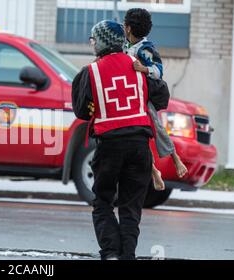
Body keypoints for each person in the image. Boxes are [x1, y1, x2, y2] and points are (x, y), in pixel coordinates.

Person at [72, 20, 170, 260]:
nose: (92, 44)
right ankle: (127, 255)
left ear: (102, 42)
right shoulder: (137, 65)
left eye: (93, 40)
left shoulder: (91, 71)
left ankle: (111, 253)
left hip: (110, 146)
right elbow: (162, 95)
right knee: (131, 207)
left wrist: (97, 107)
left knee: (103, 201)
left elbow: (82, 111)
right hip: (139, 146)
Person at [123, 8, 188, 191]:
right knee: (137, 137)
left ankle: (176, 159)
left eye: (124, 24)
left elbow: (159, 71)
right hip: (128, 98)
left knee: (156, 127)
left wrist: (143, 69)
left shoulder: (146, 48)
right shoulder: (124, 45)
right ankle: (154, 172)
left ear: (128, 28)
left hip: (144, 97)